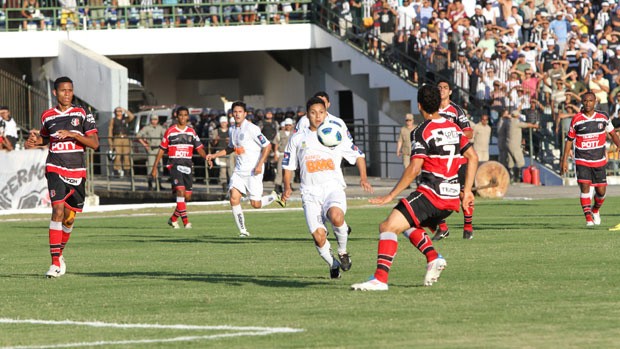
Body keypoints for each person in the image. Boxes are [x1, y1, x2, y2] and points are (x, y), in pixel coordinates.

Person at [351, 84, 478, 291]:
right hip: (451, 198)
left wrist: (391, 194)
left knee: (387, 227)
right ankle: (433, 257)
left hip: (432, 194)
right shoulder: (454, 128)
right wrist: (468, 190)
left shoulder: (422, 131)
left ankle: (380, 279)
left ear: (419, 106)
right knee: (408, 223)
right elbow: (473, 157)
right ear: (439, 104)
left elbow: (415, 168)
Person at [281, 96, 373, 279]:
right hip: (310, 192)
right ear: (306, 115)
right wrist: (287, 187)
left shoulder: (335, 133)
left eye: (321, 112)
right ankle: (333, 264)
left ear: (326, 113)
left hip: (333, 188)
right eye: (313, 113)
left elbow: (359, 155)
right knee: (319, 237)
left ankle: (343, 251)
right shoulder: (298, 138)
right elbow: (288, 166)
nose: (317, 116)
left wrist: (363, 178)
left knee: (336, 216)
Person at [24, 76, 99, 278]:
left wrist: (74, 134)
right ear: (55, 93)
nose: (67, 94)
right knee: (57, 210)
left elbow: (94, 143)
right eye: (63, 90)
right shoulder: (47, 115)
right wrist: (34, 141)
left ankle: (60, 253)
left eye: (70, 90)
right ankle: (55, 262)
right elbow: (46, 138)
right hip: (55, 167)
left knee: (69, 218)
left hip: (77, 171)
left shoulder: (82, 114)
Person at [205, 101, 284, 238]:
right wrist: (214, 155)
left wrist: (260, 164)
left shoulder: (251, 128)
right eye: (235, 112)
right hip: (239, 171)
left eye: (240, 111)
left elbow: (267, 146)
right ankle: (243, 231)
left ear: (245, 113)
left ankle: (273, 196)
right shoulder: (232, 129)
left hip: (253, 171)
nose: (237, 114)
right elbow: (230, 148)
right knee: (234, 198)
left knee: (256, 204)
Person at [560, 92, 620, 226]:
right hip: (582, 159)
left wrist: (618, 144)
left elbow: (612, 133)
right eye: (585, 101)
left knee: (601, 192)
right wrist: (564, 160)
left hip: (599, 160)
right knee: (585, 186)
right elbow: (569, 140)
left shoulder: (602, 117)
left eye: (590, 101)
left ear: (595, 102)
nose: (588, 103)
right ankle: (588, 219)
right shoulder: (577, 119)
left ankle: (595, 210)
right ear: (582, 102)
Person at [151, 106, 209, 229]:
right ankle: (186, 222)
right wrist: (155, 167)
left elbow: (199, 148)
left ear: (188, 117)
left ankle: (173, 219)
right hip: (174, 164)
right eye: (180, 115)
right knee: (180, 191)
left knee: (186, 197)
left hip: (187, 165)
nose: (183, 117)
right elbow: (161, 150)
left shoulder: (191, 132)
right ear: (176, 116)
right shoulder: (170, 131)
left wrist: (207, 158)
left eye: (185, 115)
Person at [434, 79, 474, 240]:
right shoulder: (432, 110)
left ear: (450, 92)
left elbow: (469, 133)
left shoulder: (456, 111)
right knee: (434, 193)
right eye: (439, 88)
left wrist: (453, 135)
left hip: (457, 159)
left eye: (445, 88)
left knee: (463, 194)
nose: (442, 90)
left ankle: (468, 228)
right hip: (439, 160)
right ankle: (443, 228)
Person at [507, 109, 539, 182]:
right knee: (520, 162)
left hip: (509, 143)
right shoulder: (516, 122)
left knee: (511, 162)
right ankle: (517, 177)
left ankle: (511, 177)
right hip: (515, 144)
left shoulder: (509, 122)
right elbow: (526, 125)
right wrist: (534, 126)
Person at [137, 114, 166, 190]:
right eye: (153, 119)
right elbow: (138, 136)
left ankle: (159, 184)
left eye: (156, 119)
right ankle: (150, 184)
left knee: (160, 167)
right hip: (151, 149)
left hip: (159, 149)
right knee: (150, 166)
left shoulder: (160, 128)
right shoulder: (147, 128)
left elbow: (166, 136)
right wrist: (144, 144)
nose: (154, 121)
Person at [108, 106, 135, 178]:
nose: (119, 112)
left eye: (120, 111)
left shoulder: (125, 119)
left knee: (126, 155)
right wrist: (110, 142)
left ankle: (127, 170)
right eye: (117, 111)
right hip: (117, 138)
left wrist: (125, 110)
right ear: (115, 112)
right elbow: (110, 131)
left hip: (125, 138)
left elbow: (132, 116)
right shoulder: (113, 120)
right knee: (117, 155)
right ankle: (117, 170)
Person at [210, 116, 233, 191]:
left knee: (231, 170)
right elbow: (213, 143)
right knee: (222, 170)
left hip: (229, 152)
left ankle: (232, 186)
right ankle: (224, 187)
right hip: (220, 152)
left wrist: (229, 141)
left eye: (225, 122)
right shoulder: (216, 131)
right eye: (222, 122)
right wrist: (216, 140)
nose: (223, 124)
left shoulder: (231, 130)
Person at [273, 117, 294, 194]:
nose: (288, 126)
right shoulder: (280, 133)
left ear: (292, 125)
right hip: (282, 154)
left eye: (289, 125)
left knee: (291, 171)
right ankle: (278, 186)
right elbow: (276, 143)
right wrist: (276, 153)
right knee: (279, 170)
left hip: (291, 154)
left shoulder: (294, 133)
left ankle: (289, 185)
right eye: (287, 125)